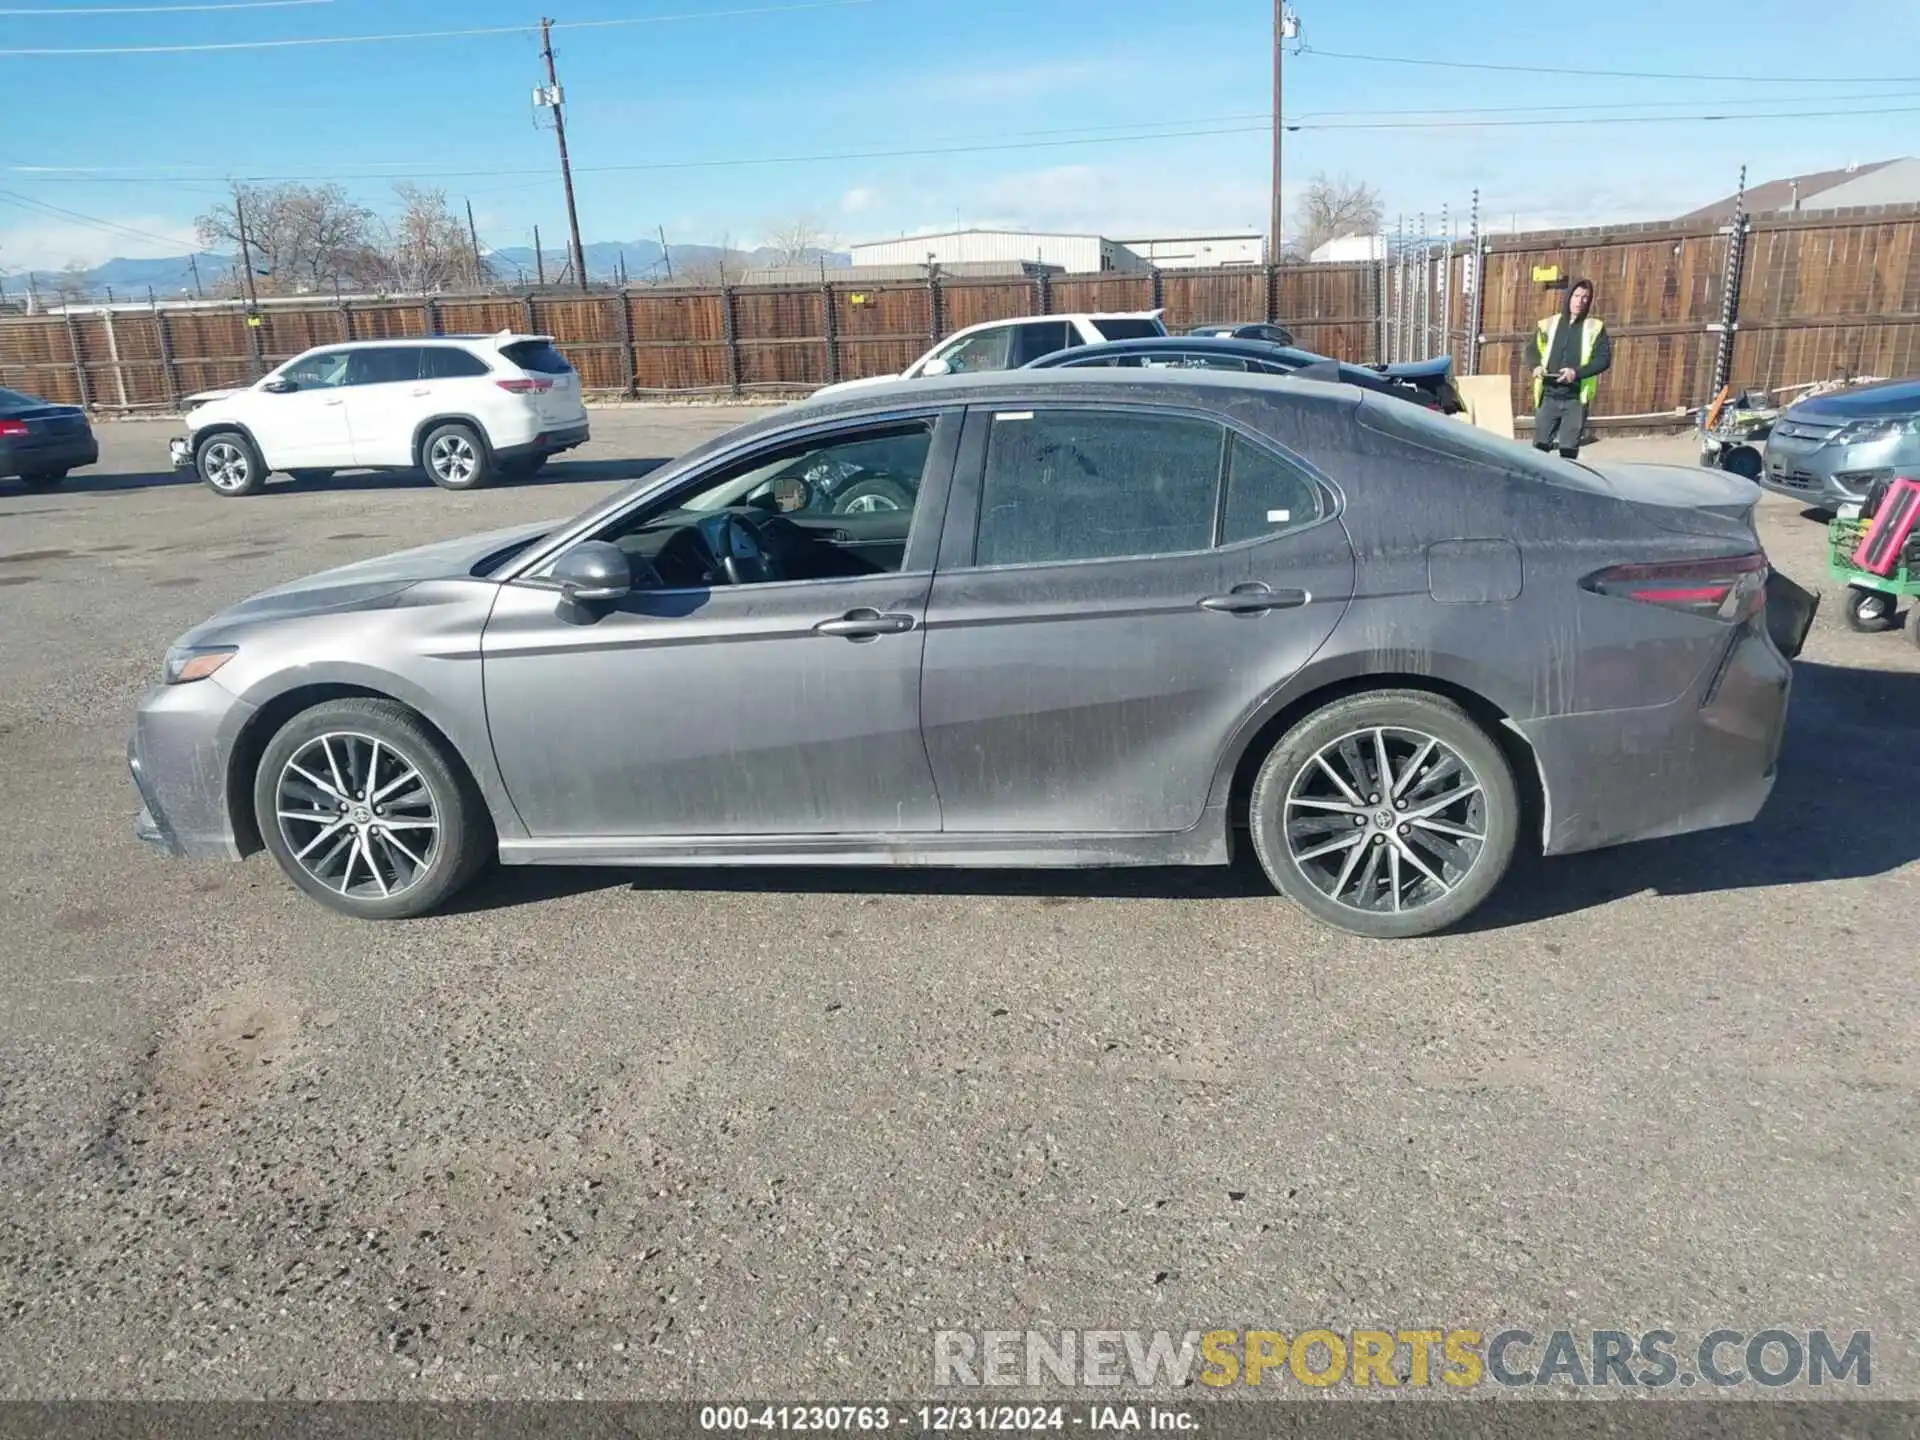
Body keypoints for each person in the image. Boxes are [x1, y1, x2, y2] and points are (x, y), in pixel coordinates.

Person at [1525, 278, 1611, 460]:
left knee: (1568, 453)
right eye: (1577, 296)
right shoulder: (1549, 324)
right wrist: (1535, 366)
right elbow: (1532, 350)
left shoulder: (1594, 328)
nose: (1580, 301)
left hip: (1575, 399)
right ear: (1569, 297)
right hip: (1548, 396)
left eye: (1585, 297)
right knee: (1539, 451)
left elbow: (1603, 360)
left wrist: (1576, 373)